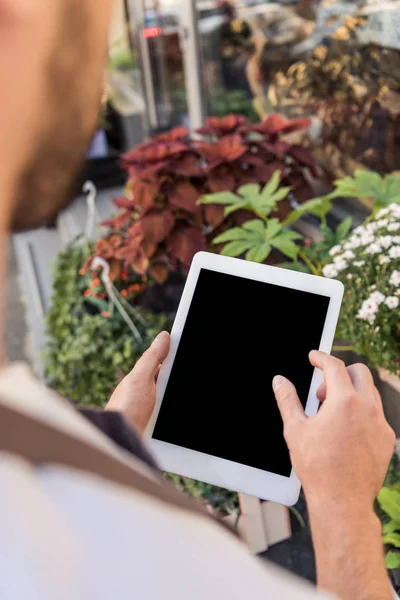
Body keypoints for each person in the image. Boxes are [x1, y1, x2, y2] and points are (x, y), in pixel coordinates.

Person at [0, 2, 395, 599]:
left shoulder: (42, 480)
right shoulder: (49, 538)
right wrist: (343, 505)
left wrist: (112, 440)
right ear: (20, 13)